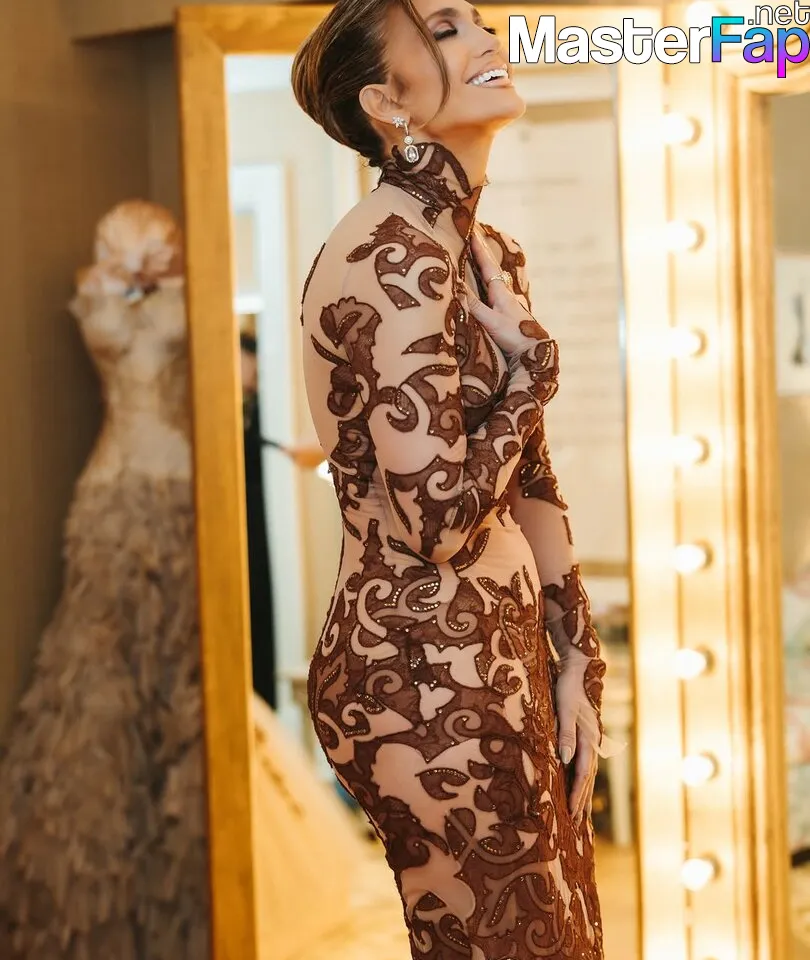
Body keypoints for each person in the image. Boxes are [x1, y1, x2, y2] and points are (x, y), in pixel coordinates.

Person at [292, 2, 619, 957]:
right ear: (386, 101)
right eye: (443, 30)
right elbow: (434, 519)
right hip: (418, 672)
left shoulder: (489, 251)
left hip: (505, 653)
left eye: (478, 19)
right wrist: (532, 370)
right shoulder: (385, 252)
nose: (484, 38)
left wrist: (577, 655)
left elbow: (530, 478)